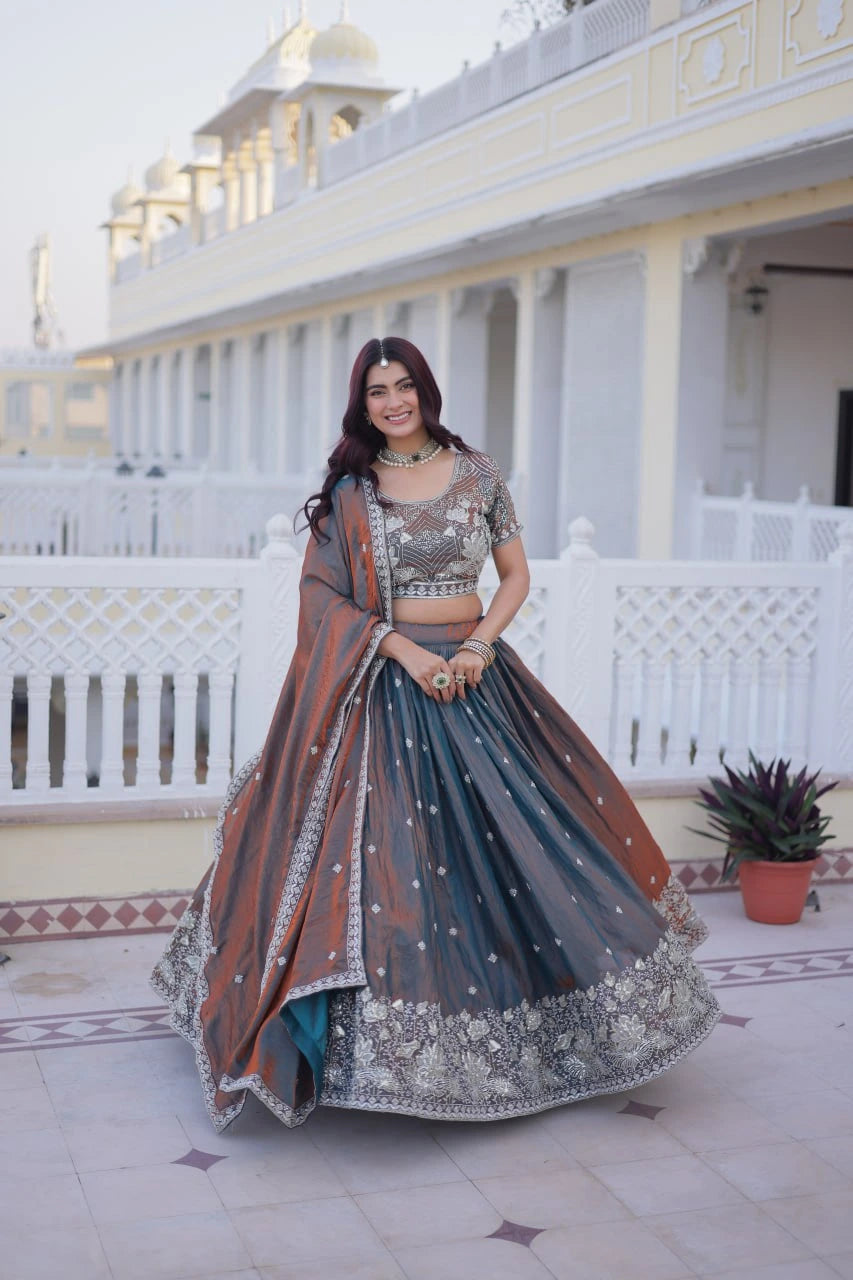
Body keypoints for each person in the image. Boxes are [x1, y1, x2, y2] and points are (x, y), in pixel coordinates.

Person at [151, 336, 720, 1132]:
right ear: (362, 403)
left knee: (523, 849)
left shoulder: (477, 473)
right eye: (377, 390)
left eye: (404, 386)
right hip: (384, 682)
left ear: (425, 391)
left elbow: (515, 573)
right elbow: (324, 600)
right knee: (386, 871)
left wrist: (481, 643)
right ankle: (376, 1050)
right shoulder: (354, 490)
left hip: (480, 677)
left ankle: (542, 1037)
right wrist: (409, 654)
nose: (392, 401)